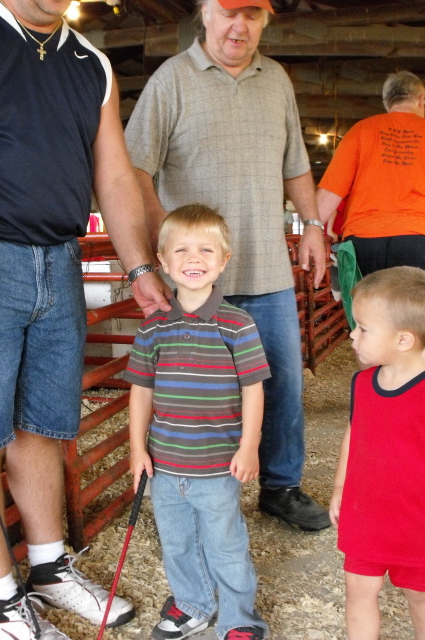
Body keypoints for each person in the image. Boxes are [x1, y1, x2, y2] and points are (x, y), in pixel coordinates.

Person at [0, 0, 172, 637]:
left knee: (43, 426)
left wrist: (139, 268)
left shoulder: (91, 62)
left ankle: (48, 569)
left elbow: (114, 175)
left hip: (60, 258)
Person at [124, 0, 330, 532]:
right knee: (190, 388)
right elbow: (135, 166)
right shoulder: (171, 80)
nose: (240, 25)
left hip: (266, 269)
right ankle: (187, 485)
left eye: (253, 14)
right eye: (230, 12)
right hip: (194, 280)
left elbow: (296, 164)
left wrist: (312, 224)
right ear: (205, 14)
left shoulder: (276, 80)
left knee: (281, 381)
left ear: (265, 20)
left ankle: (281, 486)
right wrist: (161, 237)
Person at [125, 204, 270, 640]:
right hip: (165, 465)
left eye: (206, 250)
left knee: (225, 544)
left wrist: (249, 446)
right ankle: (192, 605)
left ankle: (239, 617)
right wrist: (137, 449)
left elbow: (254, 389)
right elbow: (141, 391)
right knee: (177, 543)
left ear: (224, 261)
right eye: (182, 250)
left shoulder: (237, 325)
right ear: (163, 262)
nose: (194, 259)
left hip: (217, 465)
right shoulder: (152, 329)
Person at [329, 266, 425, 640]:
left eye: (363, 328)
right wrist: (340, 488)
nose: (352, 334)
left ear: (403, 340)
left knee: (419, 598)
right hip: (366, 515)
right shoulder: (363, 383)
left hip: (416, 521)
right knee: (358, 592)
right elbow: (354, 433)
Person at [317, 71, 425, 277]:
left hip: (364, 242)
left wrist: (311, 228)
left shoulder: (361, 131)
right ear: (421, 99)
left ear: (387, 101)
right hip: (419, 237)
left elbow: (327, 199)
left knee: (368, 299)